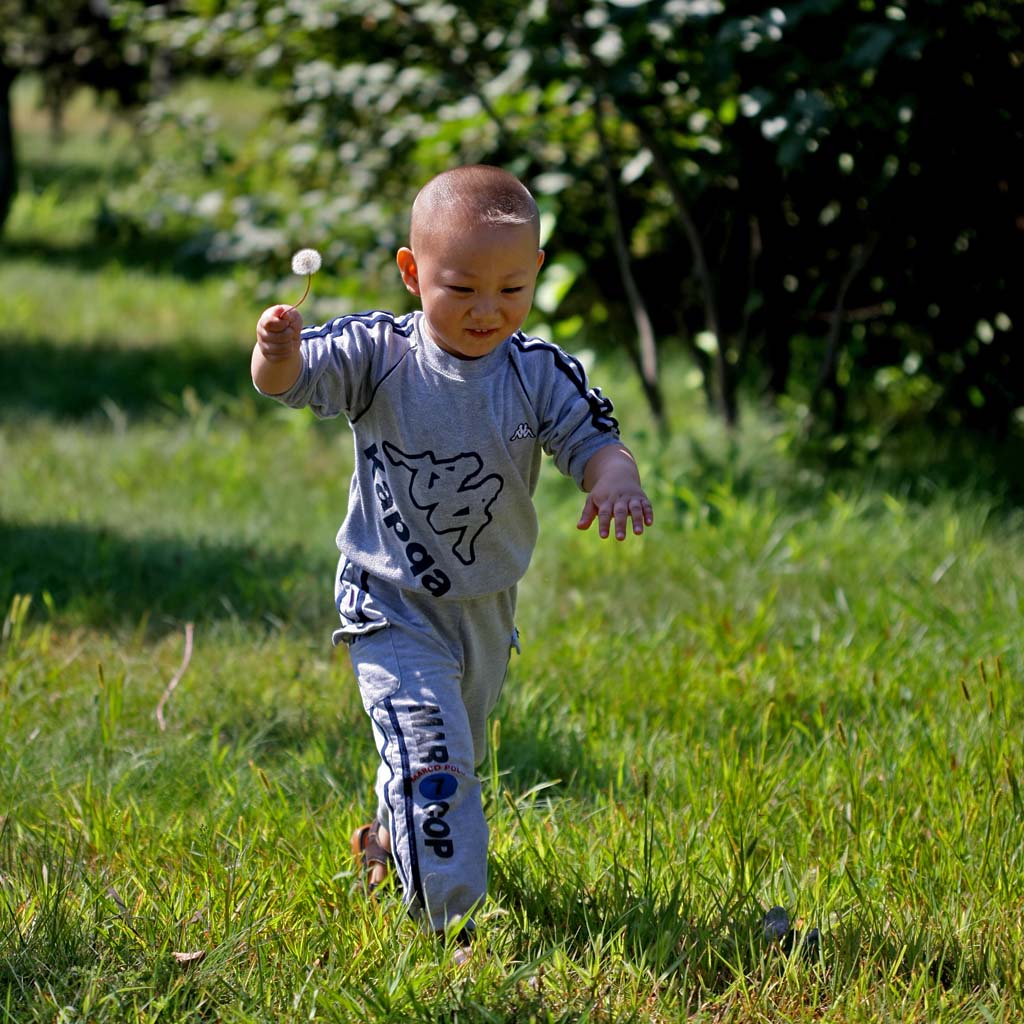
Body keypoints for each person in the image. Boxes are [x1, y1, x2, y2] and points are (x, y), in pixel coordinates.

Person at [252, 165, 653, 959]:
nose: (486, 310)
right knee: (435, 760)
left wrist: (617, 479)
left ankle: (387, 850)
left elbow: (594, 441)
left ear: (536, 271)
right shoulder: (379, 353)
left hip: (484, 611)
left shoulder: (536, 371)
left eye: (510, 289)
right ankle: (450, 927)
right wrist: (277, 351)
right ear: (412, 272)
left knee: (440, 745)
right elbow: (289, 384)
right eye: (461, 287)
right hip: (388, 603)